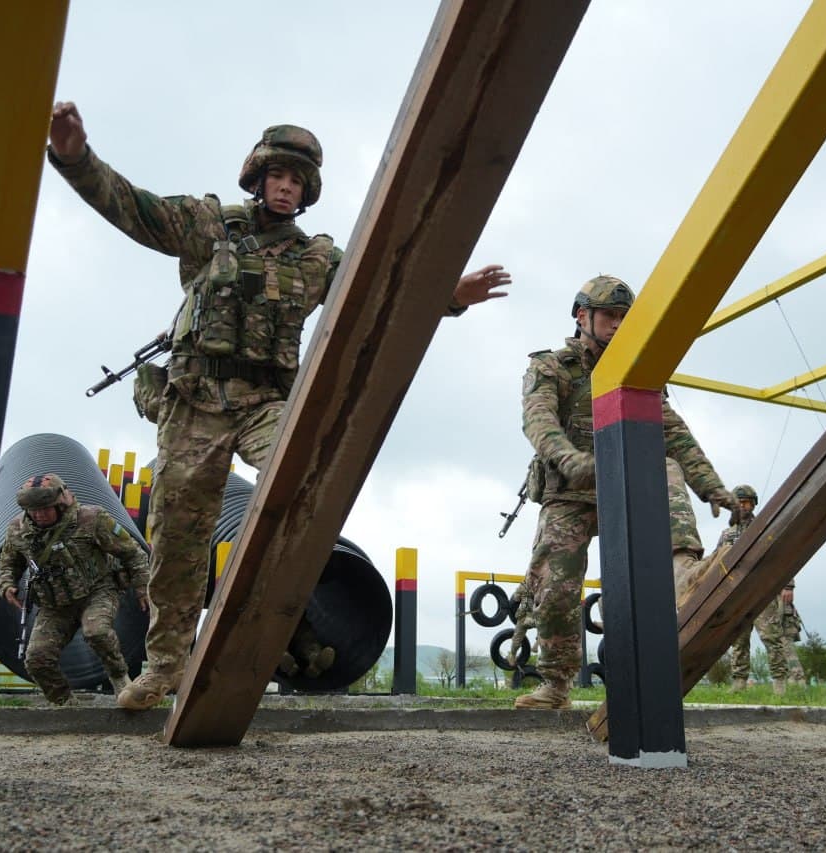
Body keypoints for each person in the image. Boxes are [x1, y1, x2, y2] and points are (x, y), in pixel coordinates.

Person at [47, 103, 511, 709]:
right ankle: (164, 666)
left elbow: (386, 288)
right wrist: (76, 157)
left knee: (308, 482)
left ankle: (287, 626)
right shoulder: (207, 224)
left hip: (267, 401)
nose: (288, 187)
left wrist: (453, 295)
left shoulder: (317, 258)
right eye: (279, 176)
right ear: (258, 178)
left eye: (298, 181)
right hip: (194, 403)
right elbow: (134, 209)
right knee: (178, 537)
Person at [511, 275, 737, 710]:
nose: (618, 325)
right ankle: (556, 684)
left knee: (664, 465)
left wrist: (712, 487)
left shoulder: (639, 372)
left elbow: (674, 434)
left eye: (624, 318)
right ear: (583, 317)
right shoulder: (552, 367)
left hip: (625, 488)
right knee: (556, 587)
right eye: (610, 316)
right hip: (572, 492)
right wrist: (571, 462)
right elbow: (539, 422)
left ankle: (683, 572)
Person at [0, 474, 151, 706]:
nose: (39, 515)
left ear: (60, 504)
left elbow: (132, 552)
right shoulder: (18, 530)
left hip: (98, 590)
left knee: (96, 631)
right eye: (33, 510)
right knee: (37, 657)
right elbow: (7, 562)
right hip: (55, 603)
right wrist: (6, 584)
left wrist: (141, 586)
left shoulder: (92, 519)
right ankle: (65, 702)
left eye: (45, 509)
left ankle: (120, 677)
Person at [720, 485, 806, 694]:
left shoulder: (764, 529)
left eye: (747, 502)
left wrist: (788, 585)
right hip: (736, 593)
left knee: (771, 637)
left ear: (753, 504)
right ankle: (739, 682)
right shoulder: (727, 534)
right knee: (738, 640)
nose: (743, 506)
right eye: (739, 502)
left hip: (761, 591)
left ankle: (779, 681)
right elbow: (717, 563)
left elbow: (782, 558)